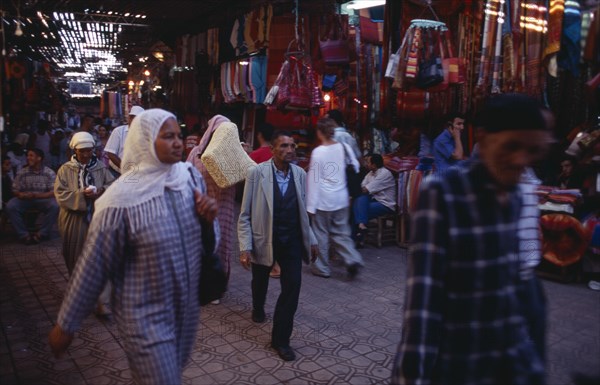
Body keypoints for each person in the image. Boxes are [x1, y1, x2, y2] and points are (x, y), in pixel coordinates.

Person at [48, 109, 218, 385]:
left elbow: (209, 244)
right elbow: (94, 264)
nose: (177, 142)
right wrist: (66, 324)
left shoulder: (189, 178)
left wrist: (208, 222)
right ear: (145, 140)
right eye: (167, 136)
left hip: (185, 309)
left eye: (178, 135)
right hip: (144, 314)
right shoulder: (121, 197)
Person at [391, 93, 552, 385]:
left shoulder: (517, 194)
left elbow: (514, 292)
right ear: (485, 138)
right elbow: (423, 305)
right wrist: (410, 377)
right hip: (458, 364)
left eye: (532, 151)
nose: (520, 160)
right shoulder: (444, 193)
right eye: (511, 146)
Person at [238, 131, 319, 361]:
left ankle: (281, 340)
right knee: (260, 280)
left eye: (293, 145)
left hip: (291, 241)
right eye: (284, 146)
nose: (290, 150)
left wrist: (311, 239)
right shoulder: (256, 173)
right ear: (273, 150)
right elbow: (244, 214)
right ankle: (258, 306)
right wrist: (245, 246)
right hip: (264, 238)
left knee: (292, 288)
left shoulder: (300, 174)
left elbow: (303, 212)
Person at [187, 114, 238, 302]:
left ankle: (216, 287)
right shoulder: (196, 153)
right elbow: (187, 176)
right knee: (200, 245)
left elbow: (240, 179)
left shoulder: (234, 153)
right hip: (199, 208)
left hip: (223, 207)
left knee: (222, 244)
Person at [306, 117, 364, 279]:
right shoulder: (344, 146)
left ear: (319, 133)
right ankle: (352, 259)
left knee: (321, 234)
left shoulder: (318, 152)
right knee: (341, 233)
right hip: (341, 198)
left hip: (323, 200)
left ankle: (321, 268)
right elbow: (356, 166)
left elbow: (314, 180)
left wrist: (310, 206)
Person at [54, 132, 115, 275]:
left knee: (97, 253)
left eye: (89, 150)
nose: (86, 154)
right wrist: (81, 195)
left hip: (97, 217)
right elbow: (60, 194)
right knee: (73, 254)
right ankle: (76, 284)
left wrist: (101, 191)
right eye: (82, 151)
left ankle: (94, 286)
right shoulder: (65, 169)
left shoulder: (100, 167)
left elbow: (112, 185)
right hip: (73, 220)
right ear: (74, 150)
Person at [5, 148, 59, 244]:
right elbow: (15, 189)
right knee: (10, 206)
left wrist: (35, 195)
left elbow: (53, 192)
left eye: (31, 155)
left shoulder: (49, 173)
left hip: (42, 199)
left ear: (39, 158)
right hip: (25, 200)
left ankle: (42, 234)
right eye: (27, 156)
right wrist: (20, 194)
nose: (28, 158)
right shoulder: (22, 172)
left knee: (55, 206)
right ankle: (24, 235)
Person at [352, 153, 396, 247]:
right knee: (360, 200)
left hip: (385, 204)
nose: (366, 164)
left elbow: (365, 189)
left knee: (357, 210)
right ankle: (361, 227)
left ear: (374, 165)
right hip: (374, 200)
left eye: (368, 162)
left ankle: (357, 238)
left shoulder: (384, 174)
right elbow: (362, 188)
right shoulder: (370, 174)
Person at [104, 105, 144, 176]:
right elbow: (111, 154)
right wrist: (125, 169)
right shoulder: (118, 131)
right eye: (132, 118)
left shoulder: (144, 134)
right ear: (129, 118)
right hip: (116, 172)